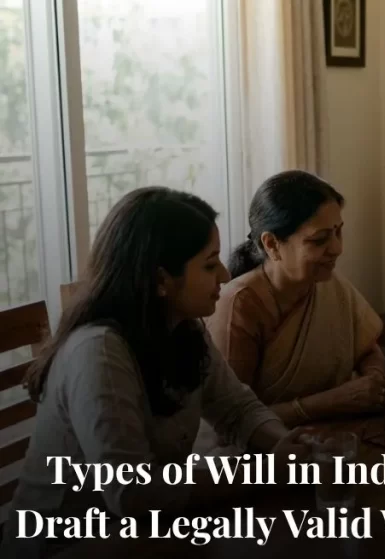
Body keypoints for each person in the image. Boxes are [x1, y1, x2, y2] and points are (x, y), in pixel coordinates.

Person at [0, 188, 308, 559]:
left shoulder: (183, 327)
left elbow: (237, 409)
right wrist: (259, 473)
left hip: (146, 533)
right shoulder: (99, 351)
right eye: (210, 265)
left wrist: (285, 446)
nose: (225, 274)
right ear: (161, 280)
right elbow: (133, 494)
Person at [201, 170, 385, 440]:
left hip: (333, 437)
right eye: (320, 239)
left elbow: (369, 349)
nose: (337, 248)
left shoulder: (329, 285)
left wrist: (373, 382)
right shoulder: (239, 306)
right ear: (272, 244)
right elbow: (232, 421)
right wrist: (332, 401)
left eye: (338, 232)